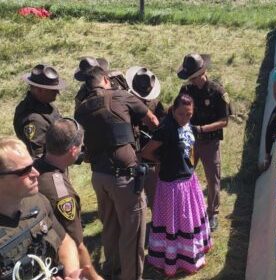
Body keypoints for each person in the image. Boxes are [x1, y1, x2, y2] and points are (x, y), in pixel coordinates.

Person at [75, 67, 159, 280]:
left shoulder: (81, 109)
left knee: (110, 227)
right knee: (133, 234)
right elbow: (153, 121)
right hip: (124, 178)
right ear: (105, 79)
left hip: (99, 177)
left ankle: (113, 271)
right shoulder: (121, 95)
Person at [142, 94, 212, 276]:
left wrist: (190, 166)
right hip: (171, 186)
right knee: (174, 223)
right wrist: (161, 160)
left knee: (189, 220)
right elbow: (146, 152)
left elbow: (191, 149)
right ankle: (173, 259)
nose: (185, 118)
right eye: (181, 114)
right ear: (173, 111)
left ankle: (190, 253)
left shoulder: (190, 126)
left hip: (188, 182)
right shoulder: (165, 129)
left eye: (189, 114)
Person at [0, 137, 86, 280]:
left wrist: (71, 274)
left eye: (32, 165)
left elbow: (65, 242)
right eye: (25, 171)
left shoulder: (37, 201)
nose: (36, 173)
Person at [34, 118, 102, 279]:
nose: (81, 150)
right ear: (73, 150)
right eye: (81, 146)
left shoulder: (34, 167)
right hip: (58, 265)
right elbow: (76, 245)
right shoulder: (62, 194)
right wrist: (94, 276)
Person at [177, 53, 231, 231]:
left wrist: (201, 129)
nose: (191, 81)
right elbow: (177, 111)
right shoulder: (186, 91)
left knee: (212, 178)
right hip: (189, 142)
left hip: (209, 142)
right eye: (190, 78)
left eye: (193, 77)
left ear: (203, 72)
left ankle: (212, 212)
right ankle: (186, 209)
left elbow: (224, 120)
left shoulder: (217, 92)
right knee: (184, 175)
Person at [125, 66, 166, 209]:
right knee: (133, 196)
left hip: (150, 155)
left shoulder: (155, 104)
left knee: (155, 194)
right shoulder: (124, 103)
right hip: (130, 154)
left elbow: (163, 128)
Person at [14, 64, 64, 158]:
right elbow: (38, 157)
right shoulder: (33, 120)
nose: (58, 93)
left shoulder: (46, 105)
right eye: (53, 90)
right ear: (40, 90)